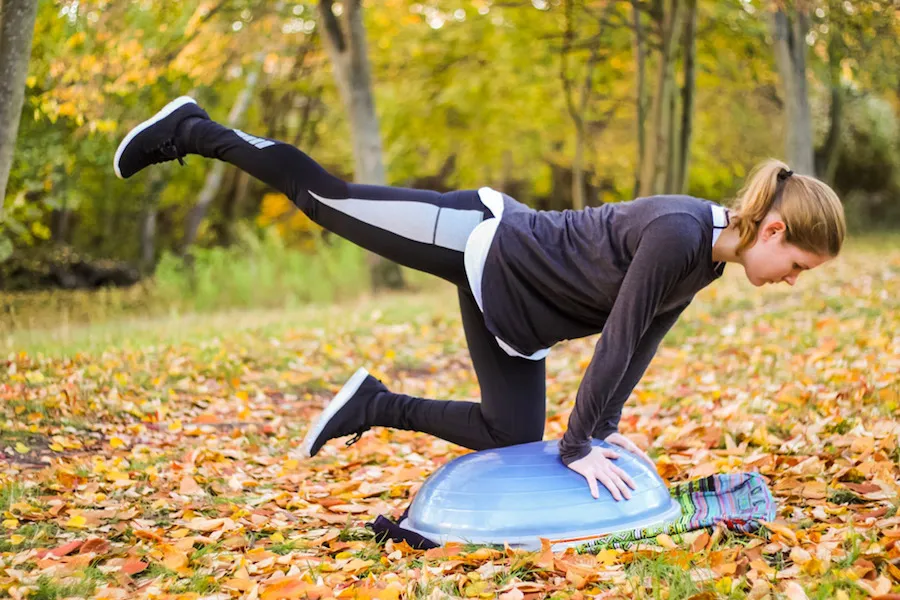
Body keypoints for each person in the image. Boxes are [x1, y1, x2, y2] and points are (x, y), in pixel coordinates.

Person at [114, 96, 846, 501]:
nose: (791, 277)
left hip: (516, 311)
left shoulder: (705, 262)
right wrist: (580, 443)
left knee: (508, 430)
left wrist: (605, 428)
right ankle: (194, 129)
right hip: (478, 238)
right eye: (798, 263)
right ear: (774, 227)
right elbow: (618, 338)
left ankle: (372, 405)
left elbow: (641, 345)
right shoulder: (680, 231)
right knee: (324, 199)